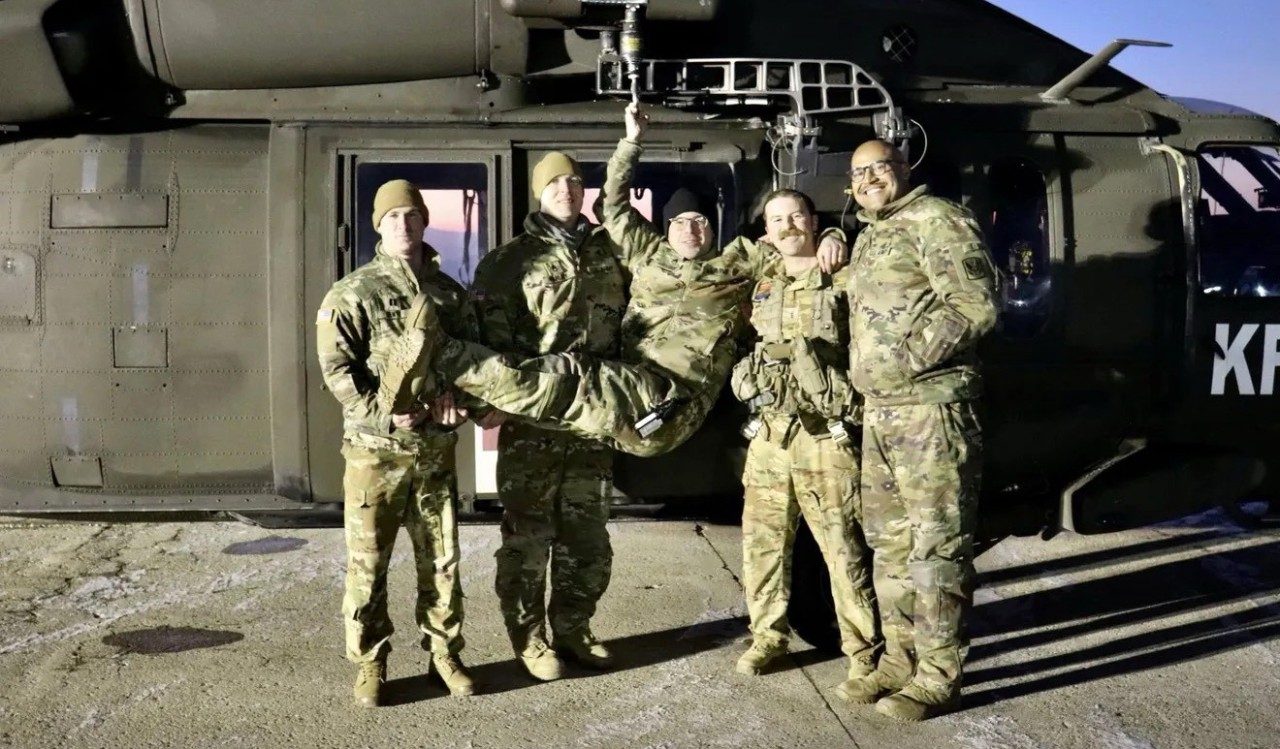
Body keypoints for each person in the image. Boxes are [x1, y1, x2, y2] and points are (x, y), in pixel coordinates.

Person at [378, 103, 849, 458]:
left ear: (714, 229)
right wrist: (631, 142)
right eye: (680, 220)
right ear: (665, 229)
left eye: (700, 220)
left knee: (572, 374)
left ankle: (448, 364)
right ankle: (441, 388)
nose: (691, 228)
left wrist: (831, 232)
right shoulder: (648, 257)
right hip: (631, 395)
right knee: (564, 385)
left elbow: (792, 246)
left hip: (671, 401)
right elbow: (617, 206)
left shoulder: (741, 263)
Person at [839, 140, 998, 721]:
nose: (870, 179)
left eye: (881, 167)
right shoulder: (872, 232)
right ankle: (898, 661)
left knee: (938, 547)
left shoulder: (938, 218)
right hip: (881, 413)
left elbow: (976, 302)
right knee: (890, 545)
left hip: (930, 410)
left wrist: (905, 362)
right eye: (860, 173)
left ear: (905, 170)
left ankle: (938, 676)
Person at [467, 149, 629, 682]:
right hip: (533, 424)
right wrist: (490, 403)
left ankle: (574, 628)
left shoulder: (610, 252)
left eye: (575, 181)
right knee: (528, 538)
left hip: (592, 420)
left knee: (588, 536)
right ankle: (530, 640)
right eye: (555, 182)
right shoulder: (507, 261)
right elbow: (485, 346)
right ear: (539, 192)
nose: (566, 189)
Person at [315, 179, 478, 707]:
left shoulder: (449, 294)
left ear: (425, 220)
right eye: (392, 218)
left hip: (433, 455)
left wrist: (458, 407)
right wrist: (388, 417)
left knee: (443, 562)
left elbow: (471, 366)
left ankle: (445, 655)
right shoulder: (352, 292)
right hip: (375, 456)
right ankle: (370, 663)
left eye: (411, 215)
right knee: (369, 563)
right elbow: (336, 372)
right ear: (378, 226)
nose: (403, 225)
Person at [727, 188, 880, 689]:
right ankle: (768, 636)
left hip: (825, 435)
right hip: (771, 433)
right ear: (766, 232)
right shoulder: (763, 279)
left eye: (797, 215)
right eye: (777, 219)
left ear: (815, 221)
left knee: (843, 547)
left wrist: (840, 237)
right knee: (763, 545)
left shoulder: (844, 274)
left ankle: (863, 651)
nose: (789, 226)